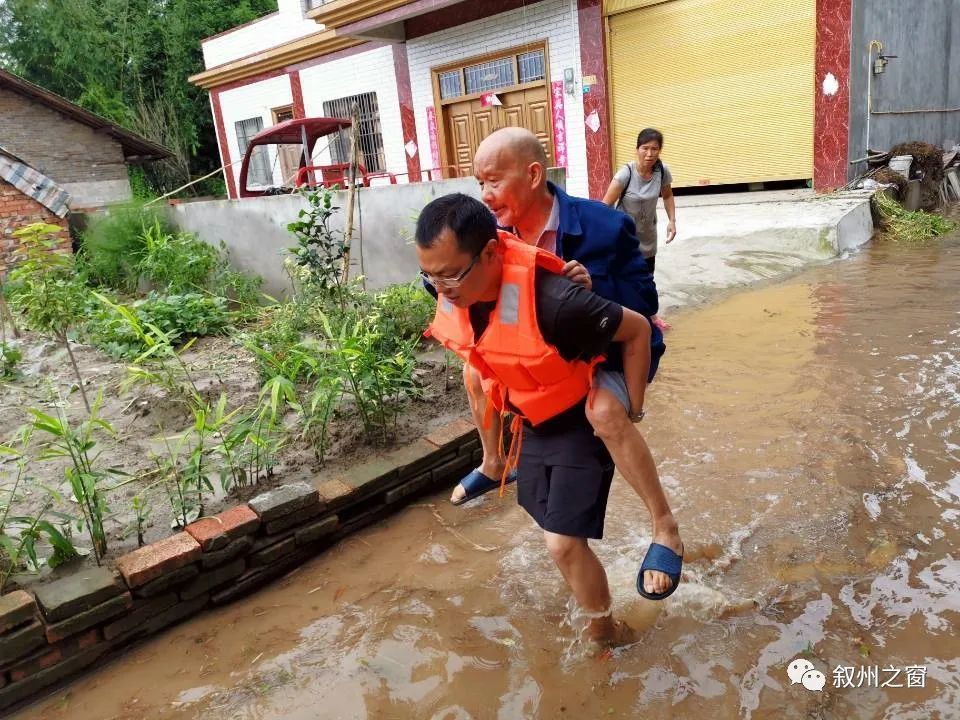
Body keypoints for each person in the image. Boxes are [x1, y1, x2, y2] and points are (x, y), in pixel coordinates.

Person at [416, 193, 673, 644]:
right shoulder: (452, 280)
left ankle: (608, 633)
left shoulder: (558, 301)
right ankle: (495, 462)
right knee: (545, 519)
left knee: (562, 542)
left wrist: (633, 407)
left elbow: (638, 330)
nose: (441, 288)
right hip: (533, 415)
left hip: (578, 414)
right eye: (430, 275)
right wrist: (445, 279)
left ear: (491, 253)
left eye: (450, 275)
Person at [447, 127, 682, 601]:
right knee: (473, 369)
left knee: (602, 411)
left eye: (493, 182)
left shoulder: (603, 226)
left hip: (614, 346)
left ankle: (664, 527)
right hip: (546, 355)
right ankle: (494, 463)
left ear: (533, 174)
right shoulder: (492, 238)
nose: (486, 197)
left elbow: (645, 304)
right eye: (479, 184)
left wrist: (592, 289)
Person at [602, 128, 677, 331]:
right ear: (637, 149)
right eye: (645, 148)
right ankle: (623, 317)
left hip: (648, 235)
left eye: (655, 149)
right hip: (624, 237)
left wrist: (672, 220)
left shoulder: (662, 171)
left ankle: (651, 316)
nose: (650, 154)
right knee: (624, 276)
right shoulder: (625, 174)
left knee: (647, 278)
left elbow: (668, 195)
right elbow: (605, 206)